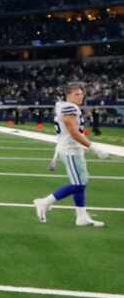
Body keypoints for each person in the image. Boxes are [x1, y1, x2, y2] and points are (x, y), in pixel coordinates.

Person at [34, 83, 109, 227]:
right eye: (77, 94)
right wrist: (94, 147)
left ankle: (81, 217)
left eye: (82, 94)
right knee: (78, 184)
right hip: (70, 150)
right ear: (68, 95)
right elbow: (73, 133)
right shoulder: (70, 107)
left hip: (72, 149)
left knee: (81, 182)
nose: (80, 97)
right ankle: (44, 202)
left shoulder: (63, 106)